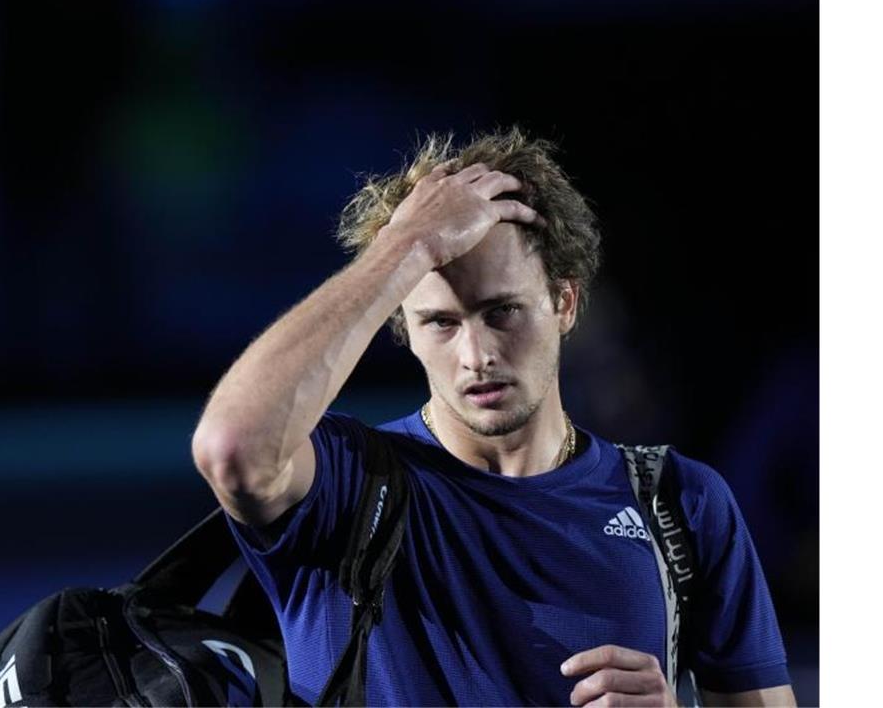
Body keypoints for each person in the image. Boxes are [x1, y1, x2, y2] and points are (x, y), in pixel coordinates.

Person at [191, 127, 796, 706]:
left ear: (565, 302)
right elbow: (232, 447)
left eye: (502, 311)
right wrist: (405, 247)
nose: (476, 357)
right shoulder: (345, 487)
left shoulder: (681, 503)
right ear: (403, 327)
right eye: (441, 322)